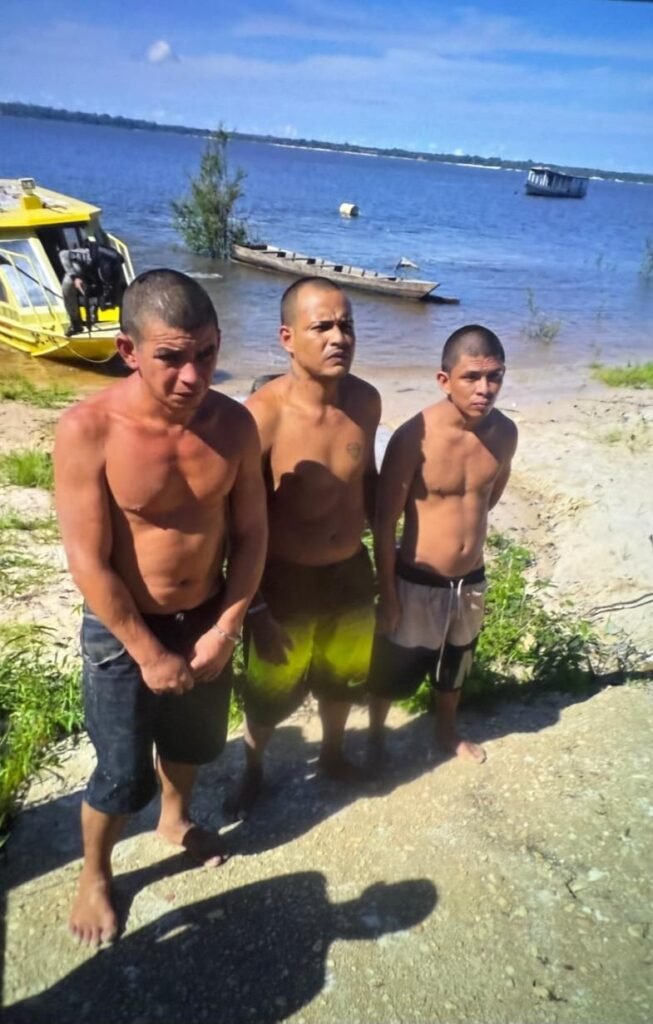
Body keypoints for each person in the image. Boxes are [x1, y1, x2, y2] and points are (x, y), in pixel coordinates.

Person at [54, 269, 267, 946]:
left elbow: (253, 534)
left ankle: (174, 820)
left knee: (192, 743)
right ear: (129, 351)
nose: (192, 375)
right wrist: (147, 653)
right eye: (171, 357)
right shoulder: (89, 429)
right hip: (124, 628)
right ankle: (95, 872)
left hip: (205, 616)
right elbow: (87, 560)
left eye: (206, 353)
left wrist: (227, 626)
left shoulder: (234, 425)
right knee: (120, 770)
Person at [225, 277, 381, 819]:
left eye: (347, 325)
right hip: (285, 581)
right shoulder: (261, 417)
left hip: (350, 572)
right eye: (323, 327)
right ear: (288, 338)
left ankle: (334, 754)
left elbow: (368, 481)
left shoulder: (365, 401)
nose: (339, 338)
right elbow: (237, 525)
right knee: (268, 690)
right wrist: (255, 608)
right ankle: (252, 769)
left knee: (345, 677)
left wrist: (389, 564)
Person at [367, 324, 518, 765]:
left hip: (471, 580)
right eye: (471, 377)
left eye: (494, 376)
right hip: (417, 580)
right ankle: (375, 736)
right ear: (444, 380)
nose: (485, 388)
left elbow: (489, 497)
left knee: (457, 663)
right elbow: (384, 522)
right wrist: (388, 593)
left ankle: (446, 731)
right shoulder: (414, 438)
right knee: (392, 669)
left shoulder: (505, 434)